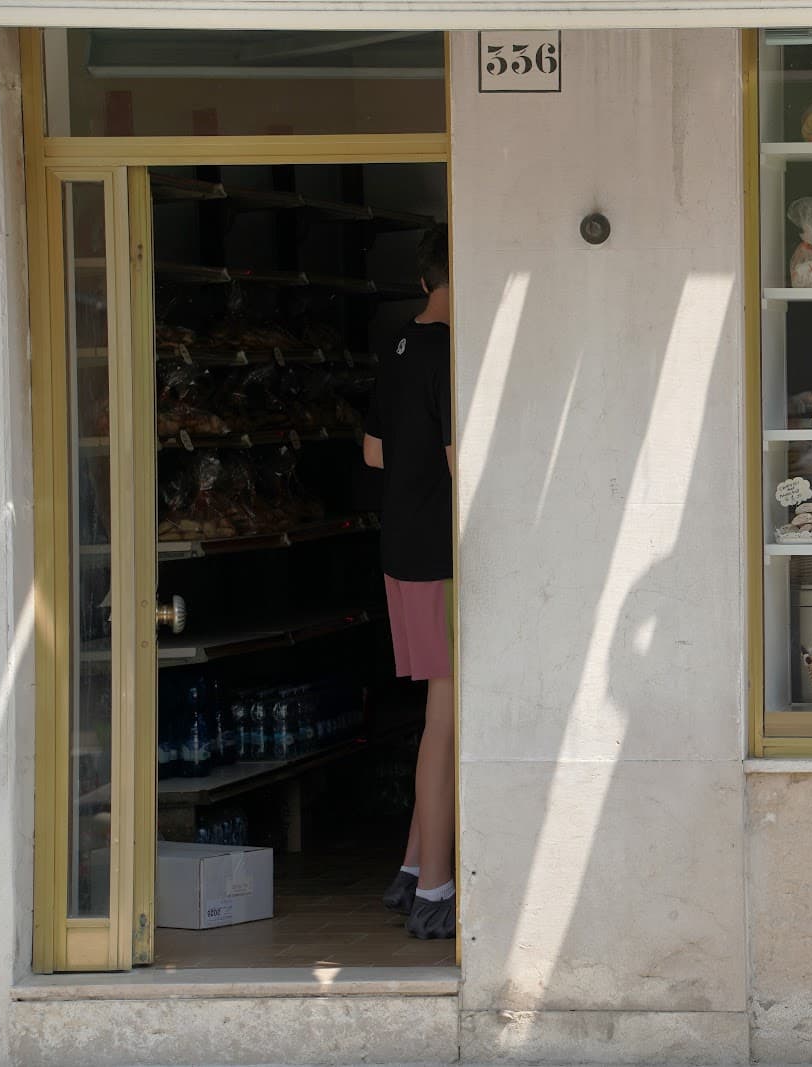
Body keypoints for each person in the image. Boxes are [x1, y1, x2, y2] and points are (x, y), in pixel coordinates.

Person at [363, 227, 457, 940]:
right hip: (441, 554)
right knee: (447, 722)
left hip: (401, 548)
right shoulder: (452, 356)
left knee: (439, 710)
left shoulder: (398, 345)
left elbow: (373, 453)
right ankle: (435, 888)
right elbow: (466, 465)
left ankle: (410, 867)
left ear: (423, 281)